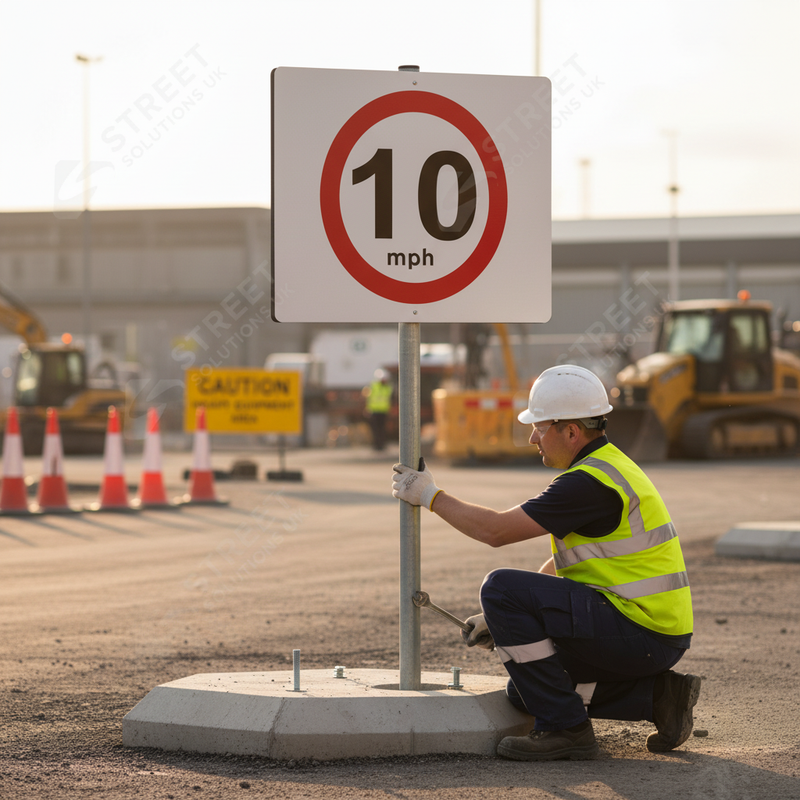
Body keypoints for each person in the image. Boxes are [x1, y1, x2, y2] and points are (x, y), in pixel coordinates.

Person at [392, 365, 700, 761]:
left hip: (641, 631)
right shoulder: (608, 468)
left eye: (539, 427)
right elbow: (570, 562)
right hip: (651, 629)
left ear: (571, 431)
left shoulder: (588, 483)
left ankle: (566, 730)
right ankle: (659, 698)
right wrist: (501, 622)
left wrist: (429, 495)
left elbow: (495, 531)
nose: (532, 438)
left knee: (499, 588)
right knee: (527, 691)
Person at [364, 369, 392, 451]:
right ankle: (376, 445)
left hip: (383, 411)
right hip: (374, 411)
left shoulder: (388, 387)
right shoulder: (373, 386)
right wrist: (367, 408)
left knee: (382, 429)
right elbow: (367, 398)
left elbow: (390, 398)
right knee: (375, 429)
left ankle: (381, 445)